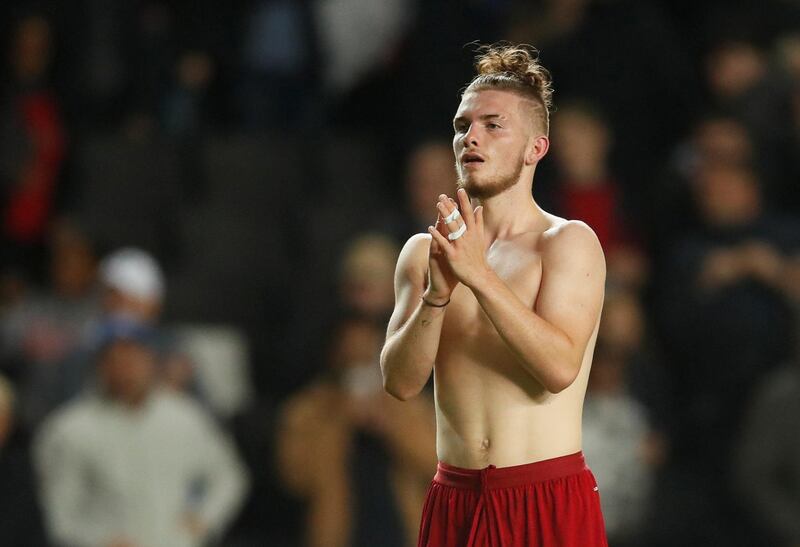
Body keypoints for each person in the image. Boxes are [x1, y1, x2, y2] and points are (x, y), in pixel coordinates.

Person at [380, 44, 607, 546]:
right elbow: (399, 383)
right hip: (454, 496)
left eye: (492, 125)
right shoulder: (425, 252)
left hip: (544, 493)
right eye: (462, 126)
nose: (470, 138)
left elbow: (557, 369)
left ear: (536, 148)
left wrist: (479, 277)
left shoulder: (568, 242)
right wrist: (436, 296)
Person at [34, 324, 249, 547]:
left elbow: (229, 476)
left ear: (152, 362)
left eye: (135, 359)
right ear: (100, 366)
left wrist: (206, 519)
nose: (126, 369)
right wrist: (97, 540)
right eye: (115, 360)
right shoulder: (68, 428)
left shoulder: (185, 417)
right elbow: (57, 511)